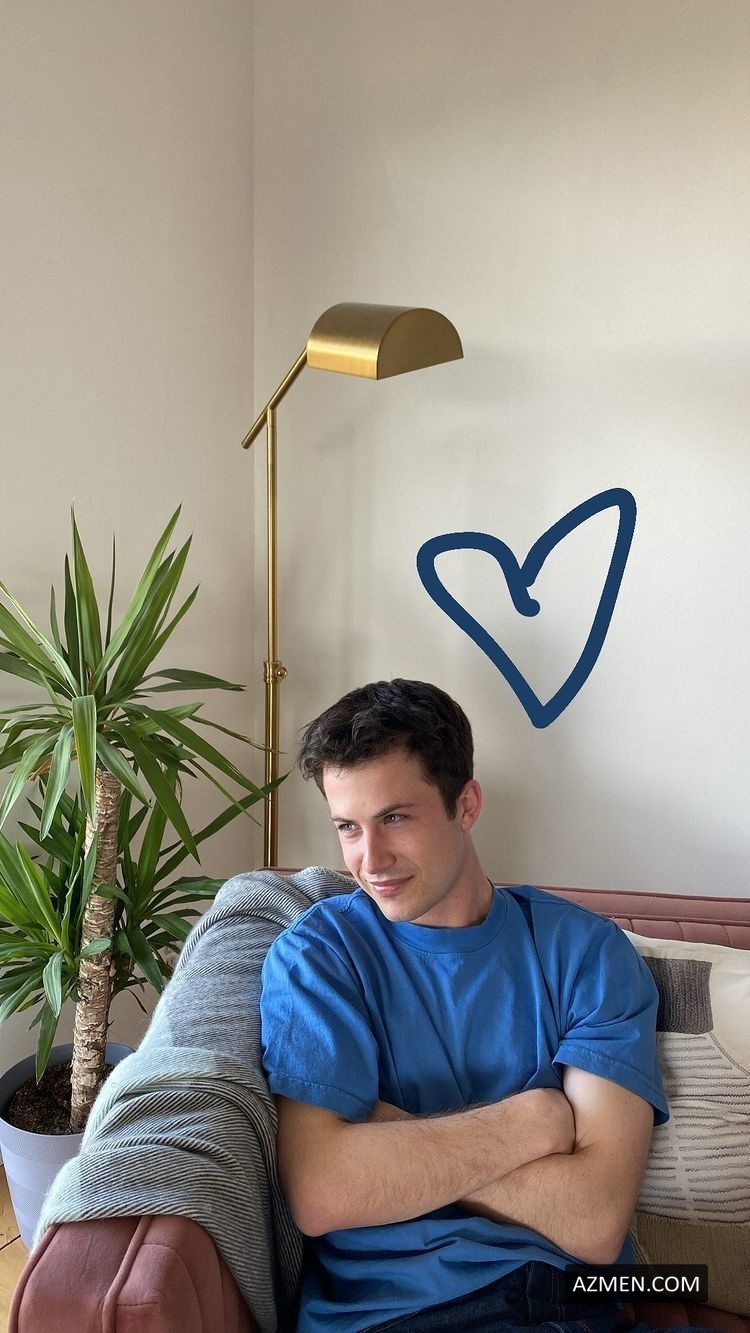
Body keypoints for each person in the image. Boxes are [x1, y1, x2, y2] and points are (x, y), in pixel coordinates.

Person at [260, 679, 670, 1333]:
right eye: (348, 827)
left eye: (396, 817)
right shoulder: (319, 957)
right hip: (394, 1315)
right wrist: (534, 1122)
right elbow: (322, 1190)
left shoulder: (586, 952)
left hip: (576, 1305)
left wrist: (389, 1135)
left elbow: (595, 1222)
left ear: (467, 803)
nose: (371, 859)